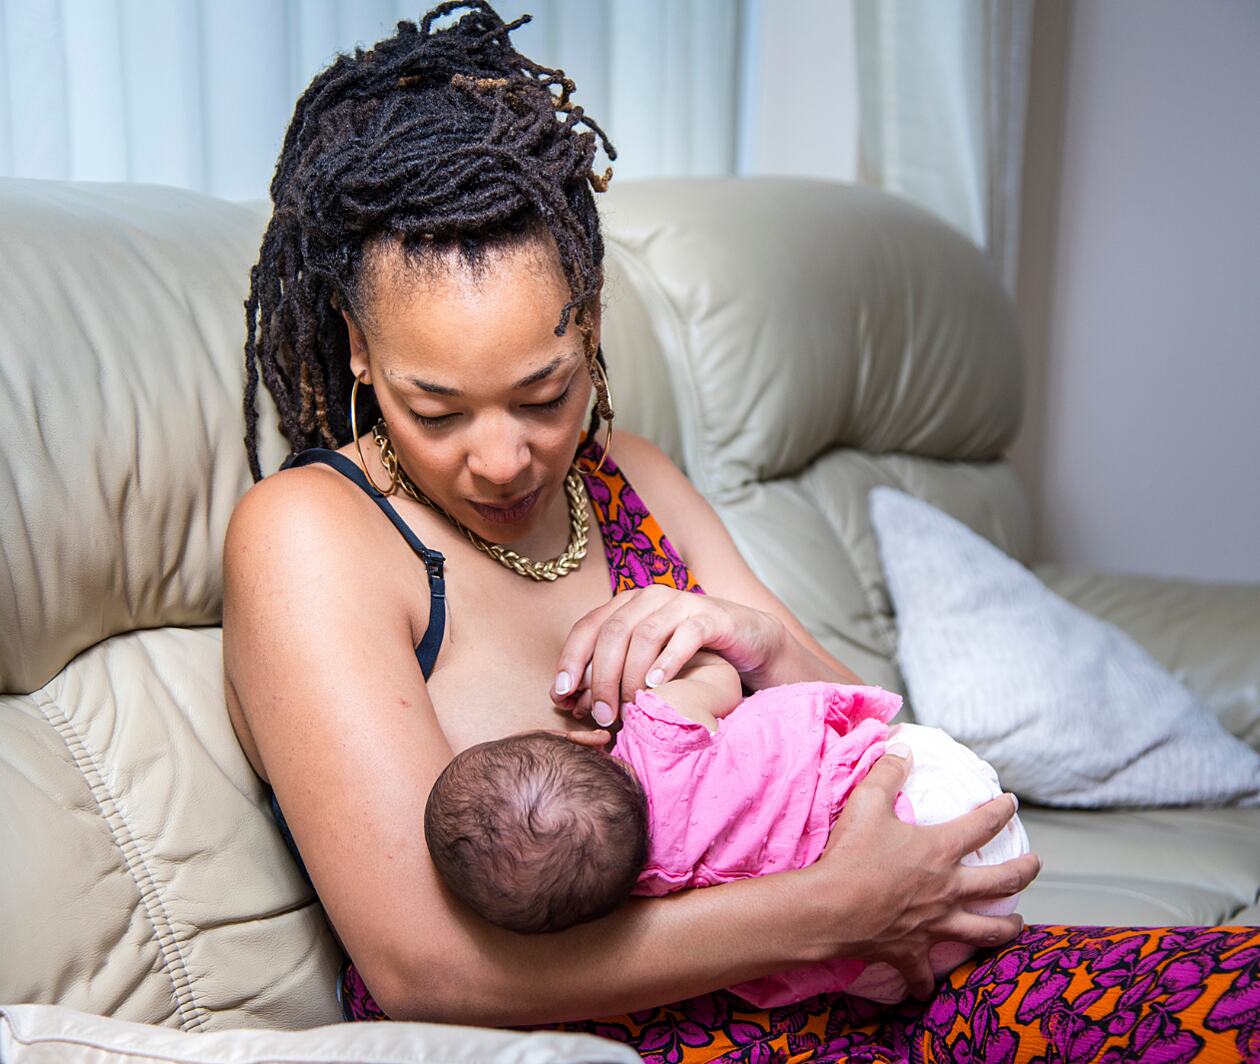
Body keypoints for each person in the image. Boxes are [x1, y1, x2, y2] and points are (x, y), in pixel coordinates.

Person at [221, 3, 1260, 1060]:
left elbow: (864, 727)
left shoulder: (632, 478)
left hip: (873, 980)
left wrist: (758, 641)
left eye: (545, 390)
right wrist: (831, 909)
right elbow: (423, 965)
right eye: (436, 409)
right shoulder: (312, 534)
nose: (502, 457)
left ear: (589, 320)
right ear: (358, 351)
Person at [424, 652, 1030, 1007]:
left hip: (905, 960)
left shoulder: (648, 897)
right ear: (574, 737)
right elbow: (720, 678)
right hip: (931, 802)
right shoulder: (661, 731)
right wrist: (683, 673)